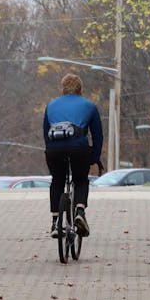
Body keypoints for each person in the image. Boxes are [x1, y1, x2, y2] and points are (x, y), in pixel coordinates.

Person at [43, 73, 103, 238]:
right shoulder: (89, 106)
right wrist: (94, 158)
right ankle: (80, 212)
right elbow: (97, 136)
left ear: (62, 89)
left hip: (54, 150)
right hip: (78, 149)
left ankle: (55, 222)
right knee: (81, 180)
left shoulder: (51, 105)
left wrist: (50, 152)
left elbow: (46, 133)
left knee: (57, 182)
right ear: (80, 89)